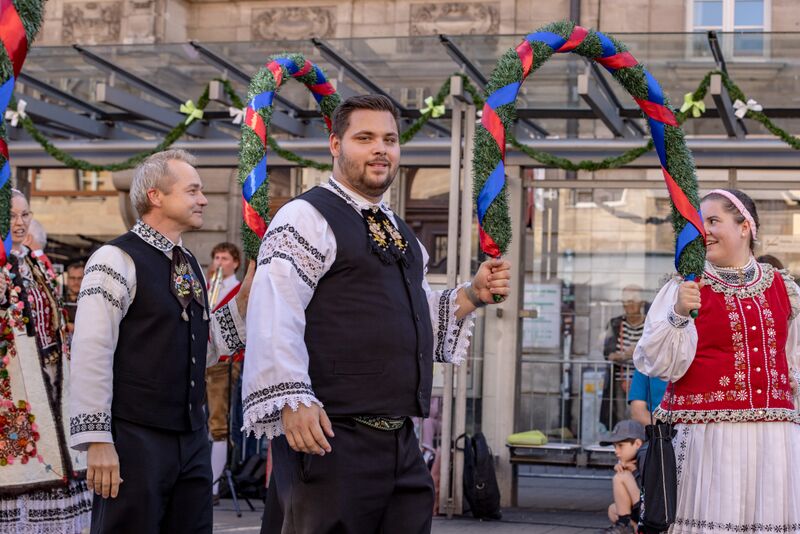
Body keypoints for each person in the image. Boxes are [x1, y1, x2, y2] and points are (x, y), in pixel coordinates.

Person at [242, 94, 512, 534]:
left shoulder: (399, 229)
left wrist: (471, 296)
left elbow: (417, 315)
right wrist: (292, 400)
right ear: (335, 145)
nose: (380, 149)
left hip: (400, 443)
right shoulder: (304, 216)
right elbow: (274, 311)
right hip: (329, 438)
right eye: (364, 138)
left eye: (389, 139)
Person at [68, 149, 253, 534]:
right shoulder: (114, 258)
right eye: (193, 190)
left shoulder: (188, 262)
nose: (203, 199)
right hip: (135, 437)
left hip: (190, 437)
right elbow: (90, 352)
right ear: (156, 196)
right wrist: (98, 441)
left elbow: (197, 348)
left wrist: (244, 302)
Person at [634, 189, 800, 533]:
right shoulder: (685, 287)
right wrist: (680, 312)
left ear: (745, 228)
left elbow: (793, 359)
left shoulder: (785, 288)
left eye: (713, 221)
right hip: (707, 439)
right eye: (699, 223)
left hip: (774, 440)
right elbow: (656, 362)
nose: (704, 231)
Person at [0, 190, 92, 532]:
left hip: (51, 378)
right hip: (16, 383)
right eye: (11, 216)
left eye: (25, 215)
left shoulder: (35, 262)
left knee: (55, 455)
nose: (20, 223)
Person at [205, 241, 243, 502]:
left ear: (236, 263)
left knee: (218, 423)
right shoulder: (207, 287)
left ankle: (214, 487)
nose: (220, 262)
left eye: (225, 258)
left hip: (225, 362)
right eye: (217, 257)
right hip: (201, 357)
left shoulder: (239, 290)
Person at [602, 285, 647, 428]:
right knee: (620, 416)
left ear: (642, 302)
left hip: (644, 378)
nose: (629, 305)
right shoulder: (615, 324)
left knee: (641, 415)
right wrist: (625, 355)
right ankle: (624, 445)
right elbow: (608, 353)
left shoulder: (651, 323)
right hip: (619, 380)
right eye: (626, 301)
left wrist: (635, 353)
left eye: (633, 300)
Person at [601, 420, 646, 534]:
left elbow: (649, 490)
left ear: (637, 444)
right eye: (615, 446)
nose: (616, 451)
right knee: (612, 509)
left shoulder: (645, 456)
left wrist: (633, 472)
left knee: (620, 477)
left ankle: (625, 525)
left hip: (650, 510)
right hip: (640, 508)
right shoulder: (631, 459)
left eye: (621, 446)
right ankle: (634, 528)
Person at [63, 261, 85, 334]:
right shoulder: (59, 298)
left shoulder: (90, 301)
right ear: (67, 279)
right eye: (72, 278)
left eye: (80, 278)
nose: (76, 282)